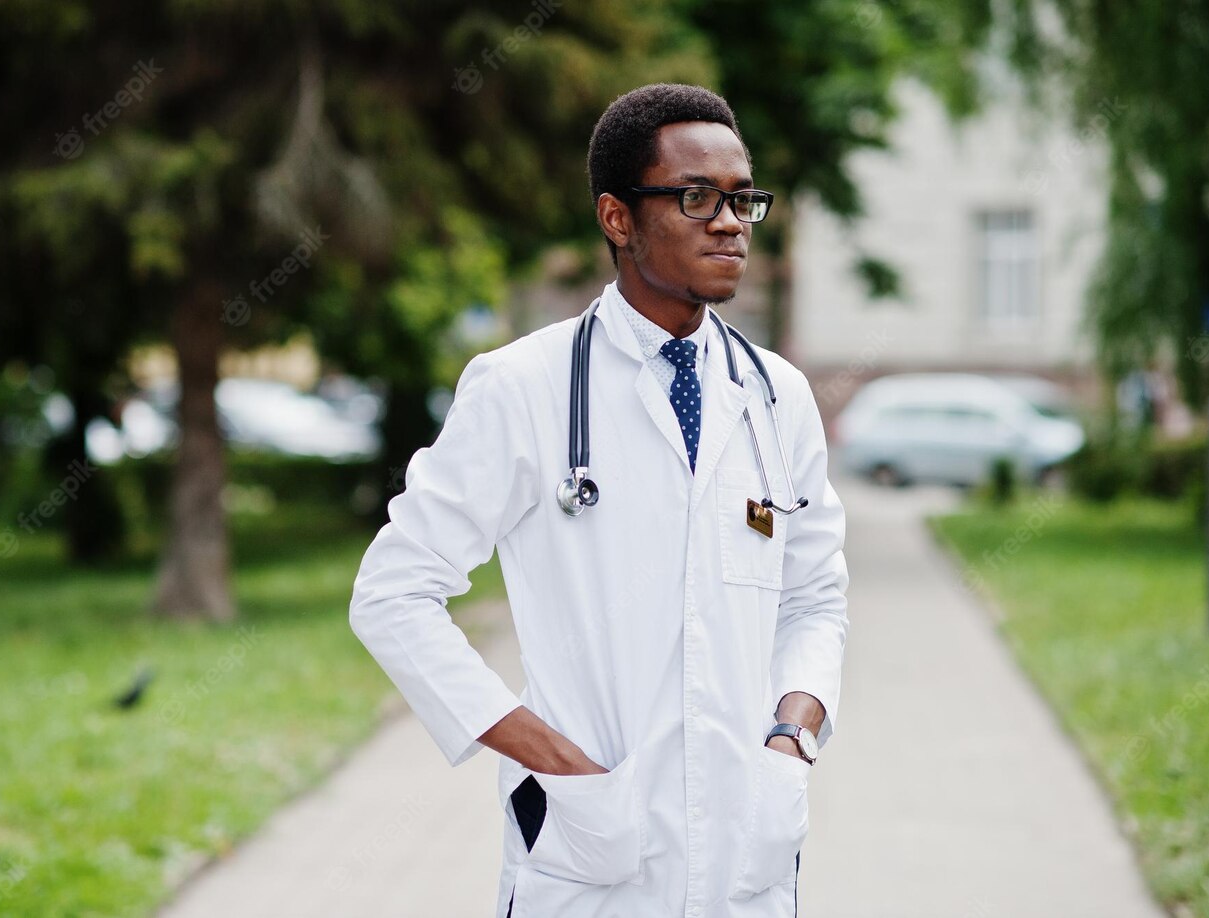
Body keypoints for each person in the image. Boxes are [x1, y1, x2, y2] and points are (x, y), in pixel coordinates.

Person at [348, 83, 850, 918]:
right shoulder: (523, 388)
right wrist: (545, 753)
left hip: (747, 856)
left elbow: (815, 597)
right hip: (590, 858)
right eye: (696, 198)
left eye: (742, 199)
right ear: (618, 218)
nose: (729, 222)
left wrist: (792, 737)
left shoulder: (777, 396)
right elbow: (393, 593)